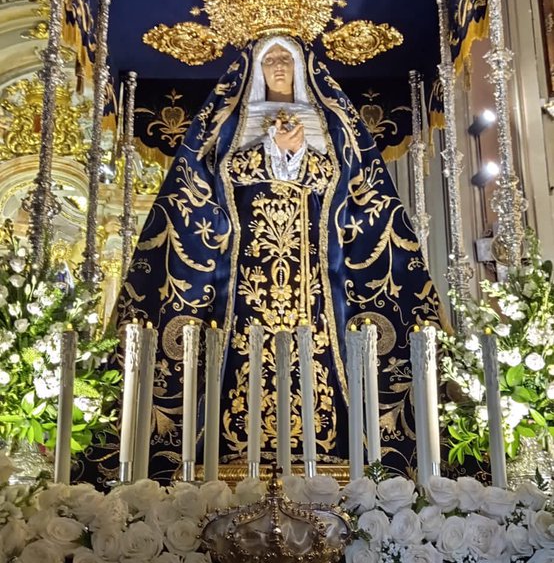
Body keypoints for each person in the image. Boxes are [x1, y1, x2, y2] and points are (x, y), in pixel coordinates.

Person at [87, 33, 440, 483]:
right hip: (243, 279)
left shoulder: (327, 119)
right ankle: (224, 458)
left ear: (301, 68)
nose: (277, 66)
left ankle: (332, 456)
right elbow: (202, 185)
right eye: (269, 58)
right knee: (233, 360)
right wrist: (271, 153)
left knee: (320, 361)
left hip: (316, 282)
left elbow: (355, 185)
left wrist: (297, 158)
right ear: (255, 69)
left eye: (285, 59)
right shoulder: (231, 121)